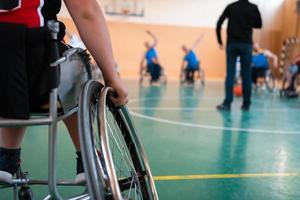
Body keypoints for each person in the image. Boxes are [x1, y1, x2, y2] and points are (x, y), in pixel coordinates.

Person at [0, 0, 128, 181]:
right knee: (76, 64)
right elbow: (86, 12)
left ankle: (7, 156)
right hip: (36, 68)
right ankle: (87, 157)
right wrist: (111, 76)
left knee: (8, 51)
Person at [216, 0, 262, 111]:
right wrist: (248, 22)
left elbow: (219, 24)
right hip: (246, 45)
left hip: (232, 44)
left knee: (230, 74)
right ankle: (246, 104)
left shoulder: (231, 7)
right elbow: (259, 24)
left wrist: (220, 41)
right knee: (246, 75)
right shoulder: (253, 8)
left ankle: (227, 103)